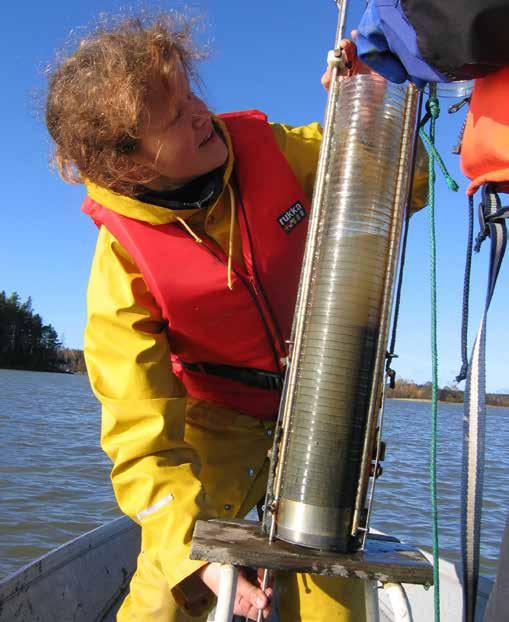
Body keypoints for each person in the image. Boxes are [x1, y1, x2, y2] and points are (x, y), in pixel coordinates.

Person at [45, 12, 427, 621]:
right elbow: (140, 436)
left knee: (332, 597)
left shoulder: (277, 151)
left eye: (191, 93)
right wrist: (191, 557)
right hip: (214, 427)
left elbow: (404, 184)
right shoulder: (122, 266)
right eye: (174, 118)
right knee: (169, 597)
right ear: (130, 166)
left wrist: (366, 108)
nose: (201, 112)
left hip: (323, 413)